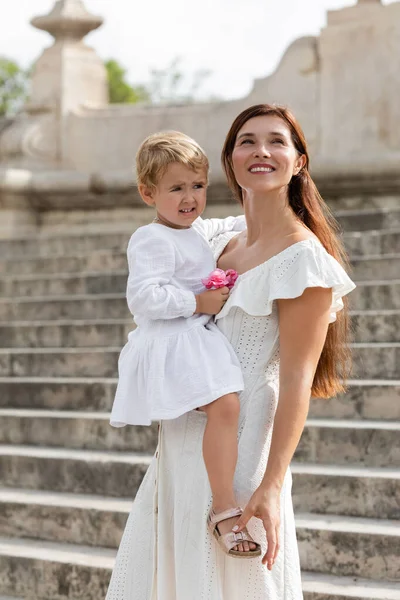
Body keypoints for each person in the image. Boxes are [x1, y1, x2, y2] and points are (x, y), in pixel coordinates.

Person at [106, 105, 356, 600]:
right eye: (247, 141)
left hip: (244, 447)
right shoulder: (218, 241)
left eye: (276, 141)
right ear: (229, 159)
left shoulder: (303, 258)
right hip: (184, 438)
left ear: (299, 161)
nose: (261, 150)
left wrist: (271, 480)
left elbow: (297, 380)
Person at [110, 130, 261, 559]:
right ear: (148, 193)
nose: (190, 197)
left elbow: (230, 223)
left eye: (198, 186)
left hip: (193, 338)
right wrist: (196, 300)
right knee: (226, 405)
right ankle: (223, 506)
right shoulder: (151, 238)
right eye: (176, 188)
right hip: (172, 341)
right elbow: (143, 298)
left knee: (229, 407)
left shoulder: (194, 229)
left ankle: (216, 495)